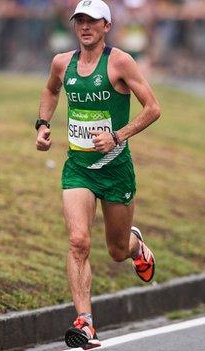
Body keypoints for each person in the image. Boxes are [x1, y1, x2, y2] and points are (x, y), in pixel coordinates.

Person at [34, 0, 160, 349]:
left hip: (116, 170)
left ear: (107, 26)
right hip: (78, 169)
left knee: (117, 250)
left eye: (93, 21)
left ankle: (136, 246)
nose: (85, 27)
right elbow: (50, 90)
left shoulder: (119, 62)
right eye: (80, 21)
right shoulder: (63, 63)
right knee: (78, 241)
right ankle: (85, 323)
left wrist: (118, 135)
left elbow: (153, 108)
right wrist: (43, 124)